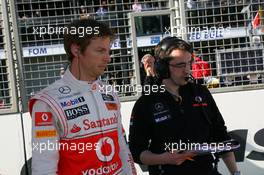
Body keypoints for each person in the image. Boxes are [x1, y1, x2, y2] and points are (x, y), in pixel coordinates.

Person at [29, 19, 136, 175]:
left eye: (108, 51)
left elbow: (121, 145)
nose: (108, 58)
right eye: (100, 50)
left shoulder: (109, 92)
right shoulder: (47, 102)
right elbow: (43, 167)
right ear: (76, 50)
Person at [129, 37, 240, 175]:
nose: (187, 70)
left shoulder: (201, 93)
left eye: (189, 63)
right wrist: (164, 159)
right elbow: (136, 152)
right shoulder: (146, 103)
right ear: (162, 67)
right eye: (180, 65)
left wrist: (235, 173)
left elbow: (221, 136)